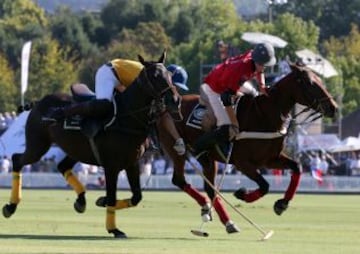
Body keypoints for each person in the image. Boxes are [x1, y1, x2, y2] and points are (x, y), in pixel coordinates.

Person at [46, 58, 188, 155]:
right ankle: (61, 113)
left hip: (123, 80)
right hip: (110, 72)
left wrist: (178, 140)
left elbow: (164, 115)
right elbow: (163, 116)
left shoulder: (158, 85)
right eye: (175, 85)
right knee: (104, 104)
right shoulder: (150, 80)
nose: (176, 90)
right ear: (167, 79)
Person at [194, 42, 277, 158]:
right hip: (214, 88)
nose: (264, 67)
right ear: (256, 61)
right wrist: (234, 123)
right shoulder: (240, 69)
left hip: (229, 78)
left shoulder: (255, 56)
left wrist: (262, 86)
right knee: (227, 125)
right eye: (263, 64)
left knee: (254, 93)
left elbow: (260, 71)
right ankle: (199, 146)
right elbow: (226, 98)